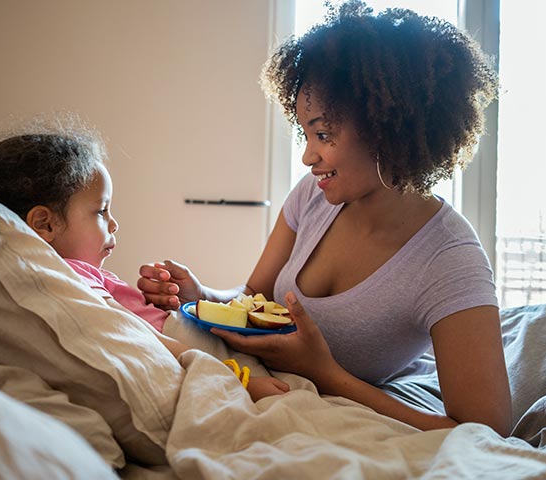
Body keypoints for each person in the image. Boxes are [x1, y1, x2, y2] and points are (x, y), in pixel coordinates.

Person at [137, 1, 512, 435]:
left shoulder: (449, 260)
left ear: (388, 126)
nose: (308, 155)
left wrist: (325, 372)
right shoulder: (314, 198)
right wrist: (200, 294)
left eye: (324, 134)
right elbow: (255, 295)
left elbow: (487, 430)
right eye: (306, 133)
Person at [0, 130, 290, 401]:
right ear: (45, 224)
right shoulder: (73, 277)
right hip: (212, 360)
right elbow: (137, 334)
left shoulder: (69, 275)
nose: (113, 224)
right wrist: (237, 381)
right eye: (101, 211)